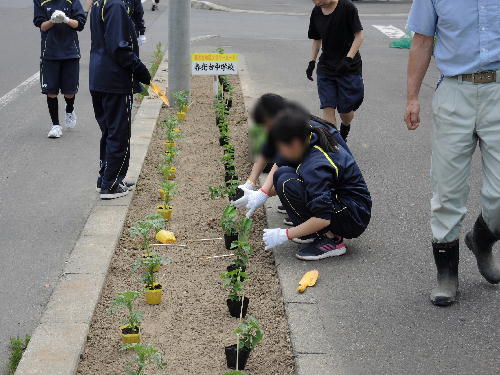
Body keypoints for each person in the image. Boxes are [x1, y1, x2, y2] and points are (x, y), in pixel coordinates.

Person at [405, 0, 500, 306]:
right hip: (454, 93)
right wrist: (412, 97)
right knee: (447, 191)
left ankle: (482, 239)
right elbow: (421, 41)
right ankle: (447, 273)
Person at [252, 107, 371, 260]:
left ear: (293, 144)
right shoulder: (307, 138)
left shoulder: (316, 166)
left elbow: (323, 217)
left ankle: (332, 241)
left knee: (288, 182)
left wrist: (285, 234)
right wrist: (260, 194)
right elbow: (279, 168)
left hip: (353, 216)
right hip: (344, 203)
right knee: (283, 176)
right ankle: (312, 232)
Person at [238, 94, 351, 243]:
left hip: (338, 194)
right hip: (329, 182)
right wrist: (250, 184)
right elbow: (267, 153)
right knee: (284, 177)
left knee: (286, 180)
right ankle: (303, 210)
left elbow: (281, 164)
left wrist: (263, 194)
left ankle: (325, 236)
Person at [89, 0, 151, 199]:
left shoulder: (100, 2)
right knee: (118, 132)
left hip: (99, 76)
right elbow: (120, 48)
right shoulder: (115, 5)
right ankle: (112, 183)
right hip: (115, 80)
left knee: (109, 131)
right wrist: (141, 71)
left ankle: (106, 178)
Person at [306, 0, 364, 142]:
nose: (316, 3)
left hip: (348, 68)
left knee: (345, 111)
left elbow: (359, 36)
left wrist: (348, 59)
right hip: (326, 67)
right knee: (328, 107)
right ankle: (334, 144)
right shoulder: (316, 10)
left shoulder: (347, 7)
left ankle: (345, 126)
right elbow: (316, 38)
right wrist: (312, 61)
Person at [33, 0, 86, 139]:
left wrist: (66, 19)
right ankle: (55, 125)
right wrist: (52, 20)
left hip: (70, 52)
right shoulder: (40, 1)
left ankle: (69, 109)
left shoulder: (72, 1)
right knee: (51, 91)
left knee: (69, 92)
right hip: (49, 54)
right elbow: (42, 26)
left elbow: (80, 25)